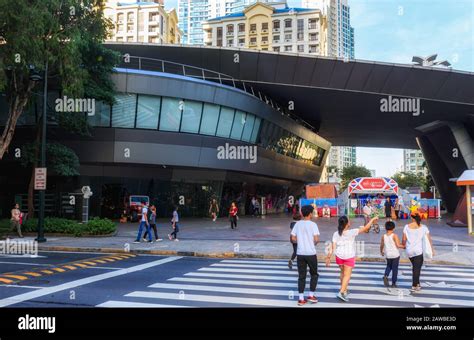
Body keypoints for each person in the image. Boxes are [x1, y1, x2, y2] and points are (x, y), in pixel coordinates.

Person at [325, 215, 378, 302]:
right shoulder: (352, 232)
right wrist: (372, 220)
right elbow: (365, 228)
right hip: (348, 256)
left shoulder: (336, 233)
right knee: (347, 275)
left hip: (339, 256)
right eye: (349, 221)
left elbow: (333, 246)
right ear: (347, 224)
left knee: (342, 273)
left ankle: (344, 290)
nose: (350, 222)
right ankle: (341, 292)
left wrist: (328, 257)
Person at [290, 205, 320, 306]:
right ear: (310, 213)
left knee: (301, 276)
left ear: (302, 213)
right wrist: (311, 243)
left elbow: (293, 238)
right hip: (311, 254)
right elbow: (316, 240)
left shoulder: (297, 224)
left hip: (300, 254)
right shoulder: (313, 225)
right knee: (314, 274)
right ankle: (311, 295)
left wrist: (301, 242)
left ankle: (301, 298)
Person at [402, 213, 434, 292]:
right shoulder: (423, 228)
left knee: (415, 267)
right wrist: (432, 249)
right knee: (417, 269)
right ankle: (414, 285)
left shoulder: (406, 227)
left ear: (412, 218)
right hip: (418, 251)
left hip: (409, 251)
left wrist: (403, 245)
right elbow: (429, 239)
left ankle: (417, 283)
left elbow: (404, 239)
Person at [380, 221, 405, 288]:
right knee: (395, 269)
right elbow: (398, 245)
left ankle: (386, 275)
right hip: (395, 255)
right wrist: (404, 246)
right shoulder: (394, 235)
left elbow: (382, 245)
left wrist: (381, 251)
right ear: (393, 228)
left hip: (388, 254)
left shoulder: (383, 236)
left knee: (388, 266)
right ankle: (393, 283)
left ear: (385, 228)